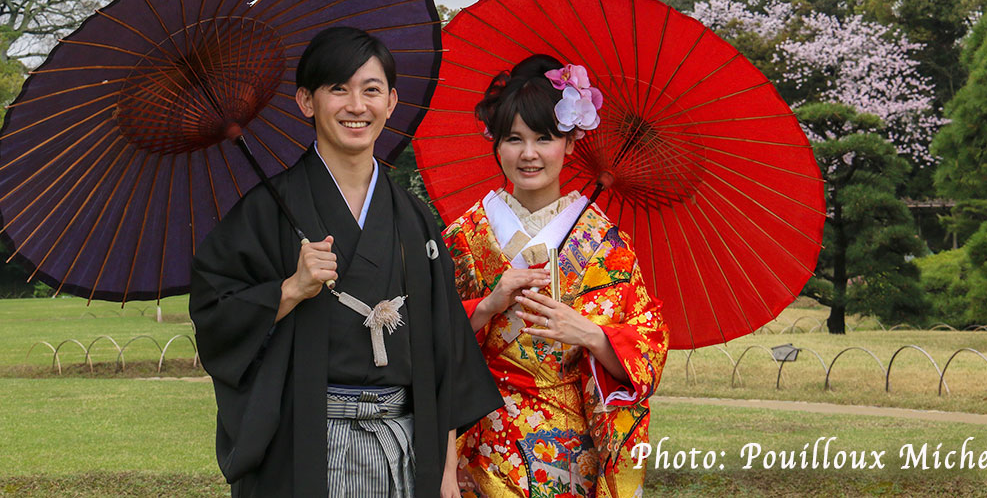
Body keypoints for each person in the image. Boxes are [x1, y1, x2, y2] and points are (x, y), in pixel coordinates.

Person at [190, 26, 501, 498]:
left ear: (392, 102)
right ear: (306, 101)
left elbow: (446, 348)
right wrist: (289, 289)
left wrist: (445, 468)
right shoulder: (265, 211)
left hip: (405, 444)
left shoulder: (415, 220)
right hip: (303, 445)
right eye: (338, 89)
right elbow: (215, 315)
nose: (357, 106)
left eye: (371, 90)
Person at [443, 55, 668, 497]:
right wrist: (488, 305)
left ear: (569, 143)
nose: (528, 154)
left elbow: (650, 338)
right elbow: (428, 341)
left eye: (544, 138)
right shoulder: (464, 237)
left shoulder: (604, 243)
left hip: (572, 451)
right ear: (496, 144)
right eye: (514, 139)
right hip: (479, 442)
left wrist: (591, 335)